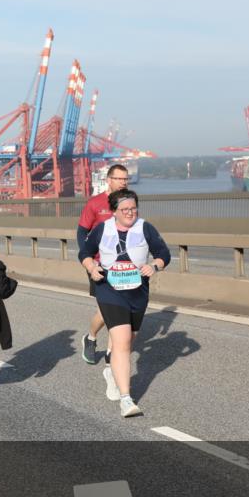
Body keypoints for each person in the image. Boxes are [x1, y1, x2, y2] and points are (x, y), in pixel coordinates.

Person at [79, 188, 170, 417]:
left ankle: (111, 370)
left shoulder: (145, 227)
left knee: (129, 341)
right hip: (109, 289)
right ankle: (126, 399)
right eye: (125, 209)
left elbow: (163, 253)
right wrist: (92, 268)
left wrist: (155, 265)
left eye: (133, 208)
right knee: (120, 342)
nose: (130, 213)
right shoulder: (102, 229)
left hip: (137, 292)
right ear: (114, 212)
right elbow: (85, 252)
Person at [77, 164, 130, 365]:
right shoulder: (95, 204)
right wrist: (87, 258)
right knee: (108, 309)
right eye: (119, 178)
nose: (123, 182)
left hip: (123, 265)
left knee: (118, 308)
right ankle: (90, 338)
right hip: (99, 264)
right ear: (109, 180)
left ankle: (110, 353)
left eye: (126, 179)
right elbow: (82, 232)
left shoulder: (129, 203)